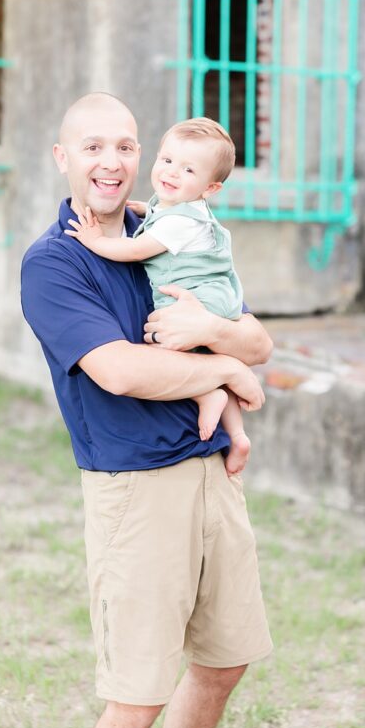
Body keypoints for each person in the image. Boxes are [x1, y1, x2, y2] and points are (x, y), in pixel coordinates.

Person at [20, 92, 273, 728]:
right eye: (93, 147)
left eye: (125, 146)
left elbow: (258, 342)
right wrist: (225, 371)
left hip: (211, 469)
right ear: (62, 158)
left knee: (225, 660)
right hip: (135, 488)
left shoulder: (167, 229)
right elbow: (123, 372)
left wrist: (219, 335)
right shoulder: (54, 262)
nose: (112, 162)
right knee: (136, 698)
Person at [65, 117, 251, 475]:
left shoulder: (182, 221)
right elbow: (157, 215)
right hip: (210, 294)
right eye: (166, 161)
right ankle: (237, 432)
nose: (172, 173)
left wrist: (97, 242)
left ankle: (207, 394)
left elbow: (138, 250)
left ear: (210, 188)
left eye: (188, 169)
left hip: (197, 297)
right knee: (198, 352)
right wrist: (140, 209)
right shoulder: (174, 208)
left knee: (161, 347)